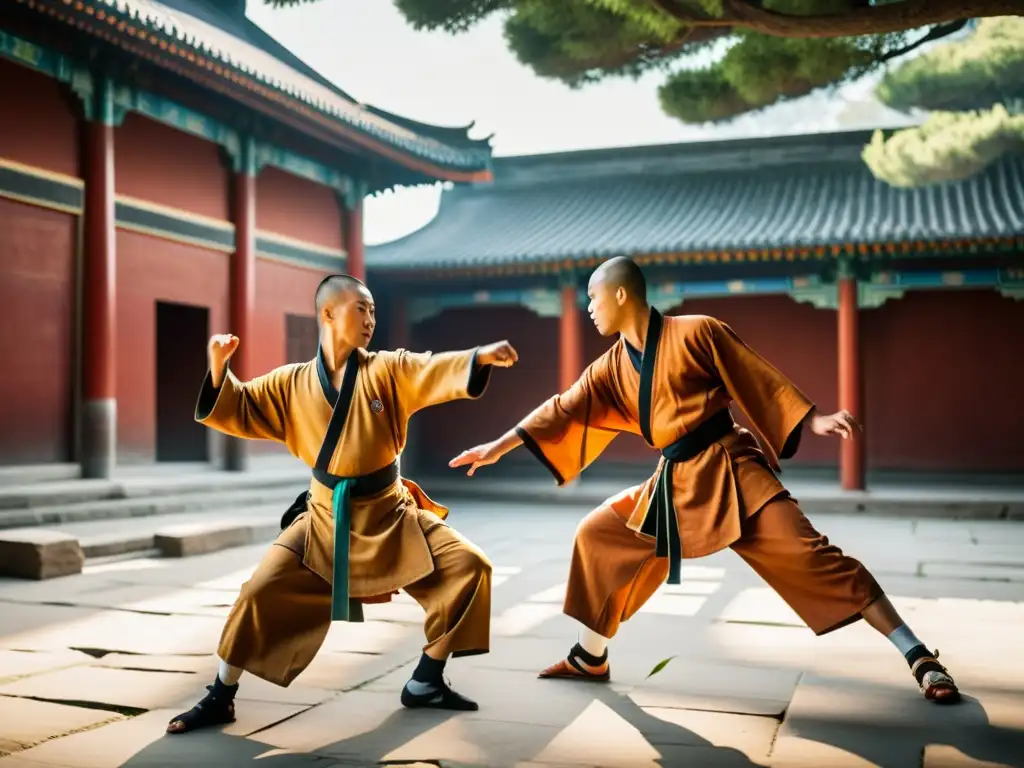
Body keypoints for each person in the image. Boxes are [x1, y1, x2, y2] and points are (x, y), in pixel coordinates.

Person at [449, 256, 959, 705]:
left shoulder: (697, 331)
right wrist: (498, 446)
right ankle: (591, 656)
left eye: (593, 298)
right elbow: (562, 408)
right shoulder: (610, 367)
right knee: (599, 533)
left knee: (814, 555)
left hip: (731, 469)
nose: (588, 308)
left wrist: (813, 420)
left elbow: (756, 376)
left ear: (622, 294)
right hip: (672, 483)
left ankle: (917, 654)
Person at [167, 274, 519, 734]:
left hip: (391, 514)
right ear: (328, 313)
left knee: (471, 567)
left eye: (374, 310)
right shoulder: (291, 383)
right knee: (258, 592)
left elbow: (427, 368)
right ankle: (220, 695)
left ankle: (426, 681)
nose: (371, 318)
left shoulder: (386, 369)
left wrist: (477, 358)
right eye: (361, 308)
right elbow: (241, 405)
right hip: (323, 519)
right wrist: (218, 370)